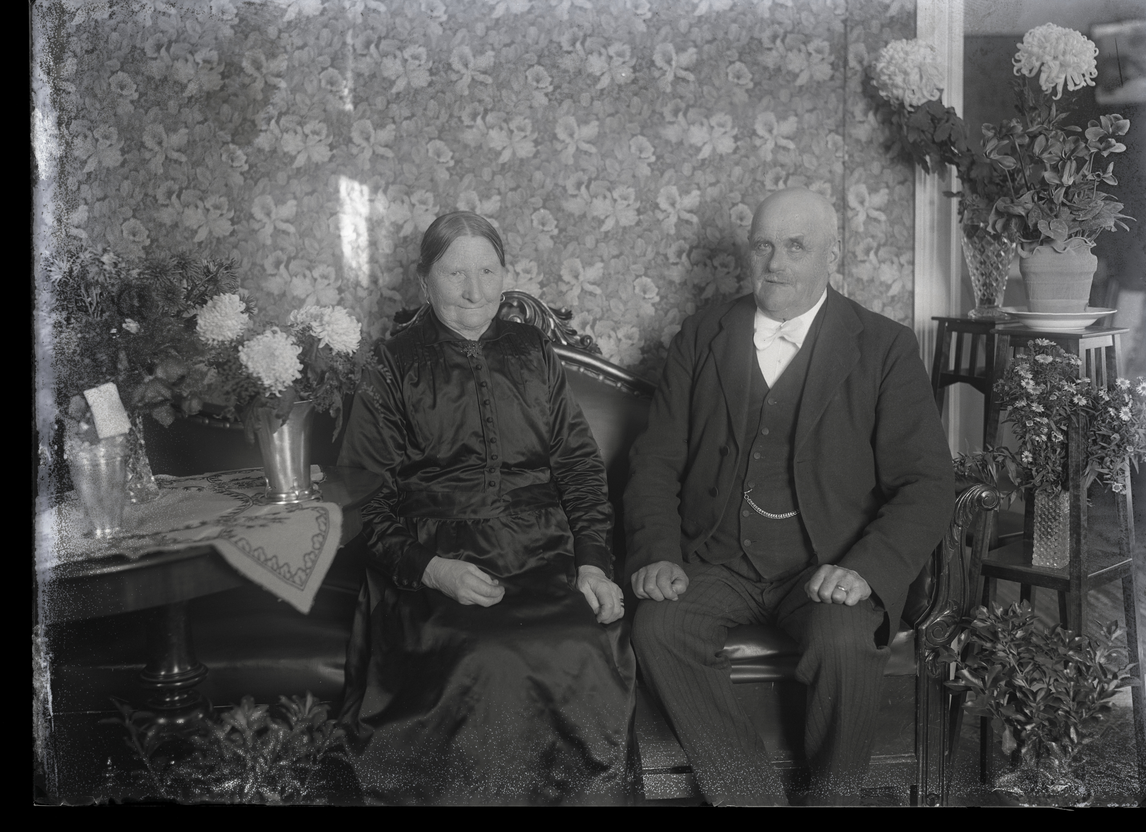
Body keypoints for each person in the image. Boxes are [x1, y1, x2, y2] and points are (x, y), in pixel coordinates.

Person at [624, 188, 955, 805]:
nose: (775, 262)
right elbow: (656, 461)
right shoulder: (703, 334)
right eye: (764, 246)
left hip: (829, 565)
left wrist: (865, 570)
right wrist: (658, 552)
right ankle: (750, 797)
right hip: (718, 560)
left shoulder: (884, 346)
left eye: (796, 247)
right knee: (659, 626)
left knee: (842, 640)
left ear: (832, 253)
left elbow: (928, 483)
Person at [338, 211, 639, 805]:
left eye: (488, 271)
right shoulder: (391, 364)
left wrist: (593, 562)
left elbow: (579, 467)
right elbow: (363, 500)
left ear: (505, 274)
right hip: (433, 562)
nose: (474, 291)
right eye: (455, 273)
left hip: (544, 554)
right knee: (483, 655)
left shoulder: (534, 351)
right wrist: (431, 569)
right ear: (425, 280)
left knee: (578, 643)